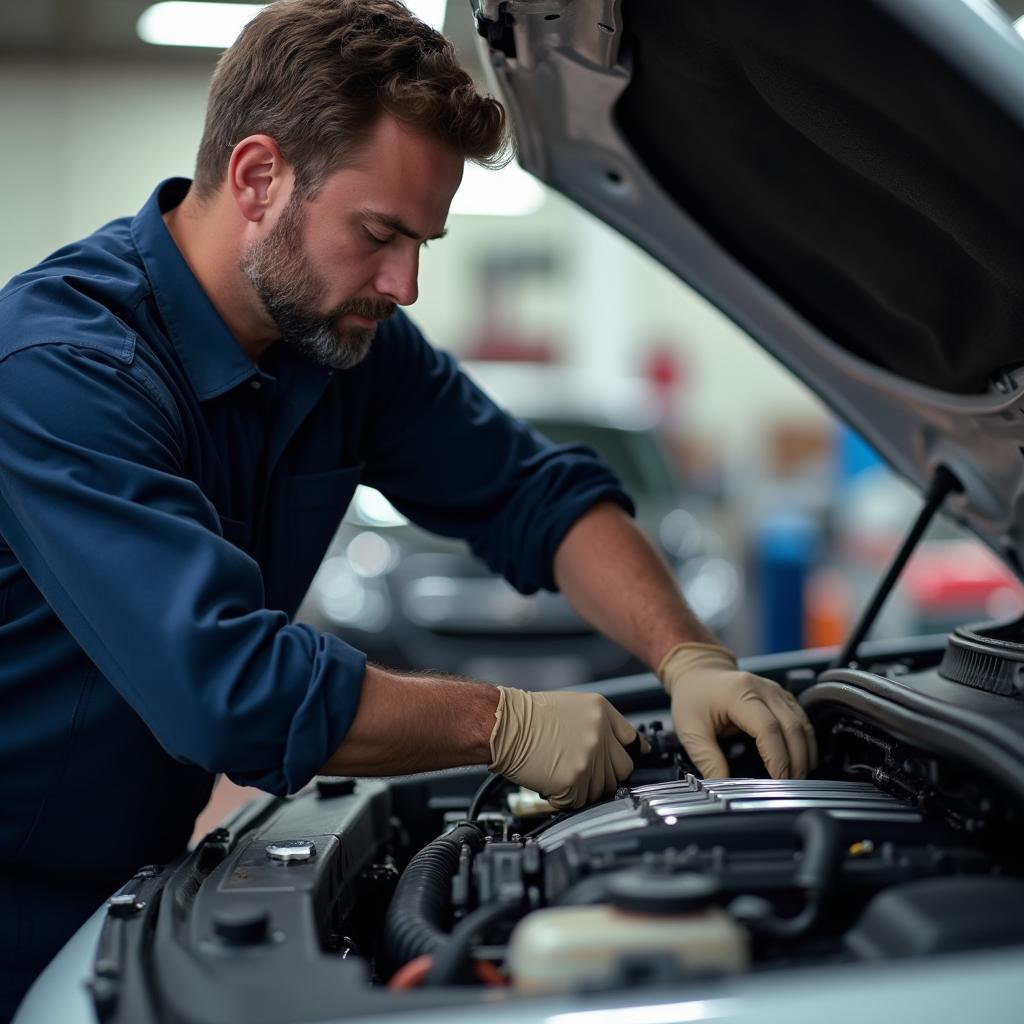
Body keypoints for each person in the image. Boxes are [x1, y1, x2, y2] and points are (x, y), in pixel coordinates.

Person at [0, 0, 815, 1015]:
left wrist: (687, 656)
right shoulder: (62, 371)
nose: (407, 283)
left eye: (422, 240)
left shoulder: (343, 347)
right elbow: (228, 686)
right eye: (380, 234)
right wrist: (502, 723)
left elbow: (533, 492)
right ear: (258, 177)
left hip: (128, 877)